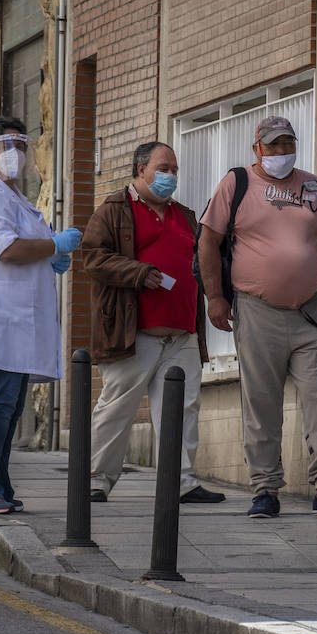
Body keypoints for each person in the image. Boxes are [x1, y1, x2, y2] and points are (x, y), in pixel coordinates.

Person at [197, 116, 317, 519]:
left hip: (309, 310)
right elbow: (208, 241)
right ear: (258, 149)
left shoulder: (313, 186)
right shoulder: (236, 184)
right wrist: (215, 298)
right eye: (273, 145)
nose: (282, 152)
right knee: (261, 402)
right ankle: (265, 488)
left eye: (288, 143)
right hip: (256, 309)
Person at [81, 141, 225, 505]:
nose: (170, 176)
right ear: (141, 168)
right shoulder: (115, 209)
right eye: (163, 168)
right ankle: (96, 480)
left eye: (174, 170)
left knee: (183, 408)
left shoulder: (186, 216)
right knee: (117, 407)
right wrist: (138, 272)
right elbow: (93, 257)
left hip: (181, 333)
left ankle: (182, 483)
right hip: (134, 332)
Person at [0, 117, 81, 515]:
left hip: (20, 320)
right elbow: (6, 249)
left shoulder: (16, 198)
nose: (14, 154)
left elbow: (28, 245)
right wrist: (52, 244)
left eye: (21, 146)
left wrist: (51, 253)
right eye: (6, 146)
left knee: (10, 407)